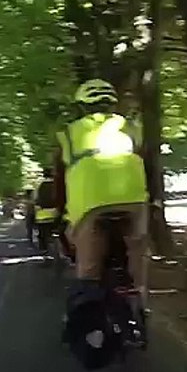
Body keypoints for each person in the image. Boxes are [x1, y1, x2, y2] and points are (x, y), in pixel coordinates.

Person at [53, 78, 150, 321]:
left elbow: (59, 183)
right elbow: (149, 165)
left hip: (89, 207)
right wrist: (153, 200)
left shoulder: (68, 134)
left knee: (88, 270)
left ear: (82, 107)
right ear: (112, 105)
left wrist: (61, 214)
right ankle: (139, 303)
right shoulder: (132, 128)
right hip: (134, 202)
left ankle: (88, 318)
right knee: (137, 253)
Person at [32, 168, 62, 256]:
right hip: (57, 214)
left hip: (42, 216)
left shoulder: (39, 186)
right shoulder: (59, 184)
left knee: (42, 235)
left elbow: (35, 200)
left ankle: (44, 251)